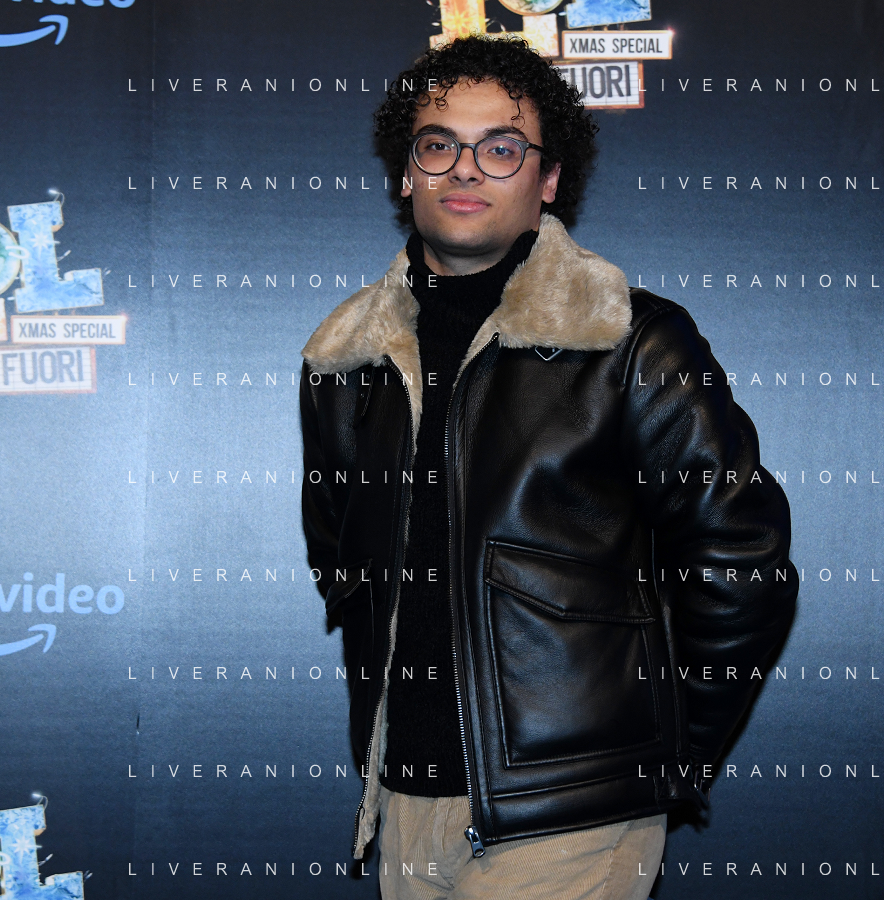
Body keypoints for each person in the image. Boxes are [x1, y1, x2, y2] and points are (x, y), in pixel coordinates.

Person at [299, 34, 798, 900]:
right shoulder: (346, 358)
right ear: (405, 174)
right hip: (404, 802)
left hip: (573, 814)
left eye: (501, 148)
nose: (465, 168)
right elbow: (340, 562)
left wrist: (657, 753)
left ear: (549, 178)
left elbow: (739, 562)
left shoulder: (630, 339)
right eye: (437, 144)